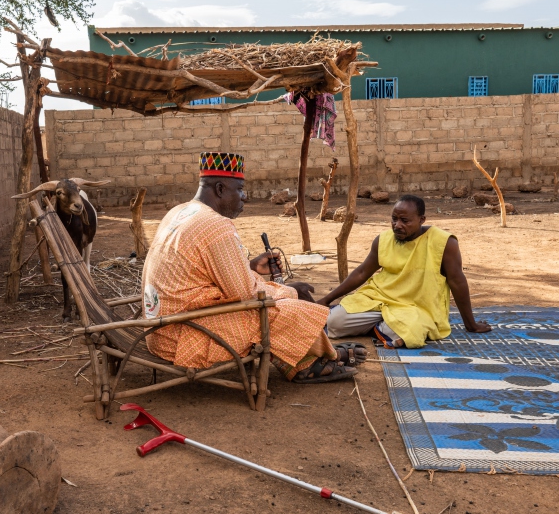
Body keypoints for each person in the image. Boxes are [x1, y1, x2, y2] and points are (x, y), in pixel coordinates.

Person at [141, 152, 367, 383]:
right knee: (286, 310)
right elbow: (244, 295)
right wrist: (290, 291)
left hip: (160, 331)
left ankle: (313, 357)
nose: (244, 197)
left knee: (279, 305)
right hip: (185, 336)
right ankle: (324, 356)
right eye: (239, 189)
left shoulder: (179, 212)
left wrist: (249, 267)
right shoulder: (215, 225)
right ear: (220, 189)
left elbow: (199, 271)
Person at [318, 195, 491, 348]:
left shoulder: (444, 243)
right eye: (394, 219)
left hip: (415, 308)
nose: (397, 225)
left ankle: (380, 326)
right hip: (377, 299)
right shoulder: (383, 239)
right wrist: (327, 299)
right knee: (334, 322)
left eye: (405, 221)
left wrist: (471, 324)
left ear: (421, 219)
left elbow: (457, 281)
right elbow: (362, 272)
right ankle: (382, 327)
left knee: (411, 333)